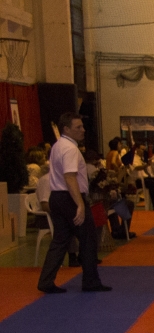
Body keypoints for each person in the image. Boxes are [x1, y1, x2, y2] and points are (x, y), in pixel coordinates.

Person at [37, 112, 110, 294]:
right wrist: (80, 204)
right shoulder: (70, 149)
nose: (83, 130)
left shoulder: (57, 146)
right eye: (78, 127)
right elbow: (70, 177)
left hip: (57, 197)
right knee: (88, 238)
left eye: (82, 126)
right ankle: (91, 281)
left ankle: (46, 280)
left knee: (60, 240)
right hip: (69, 197)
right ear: (66, 129)